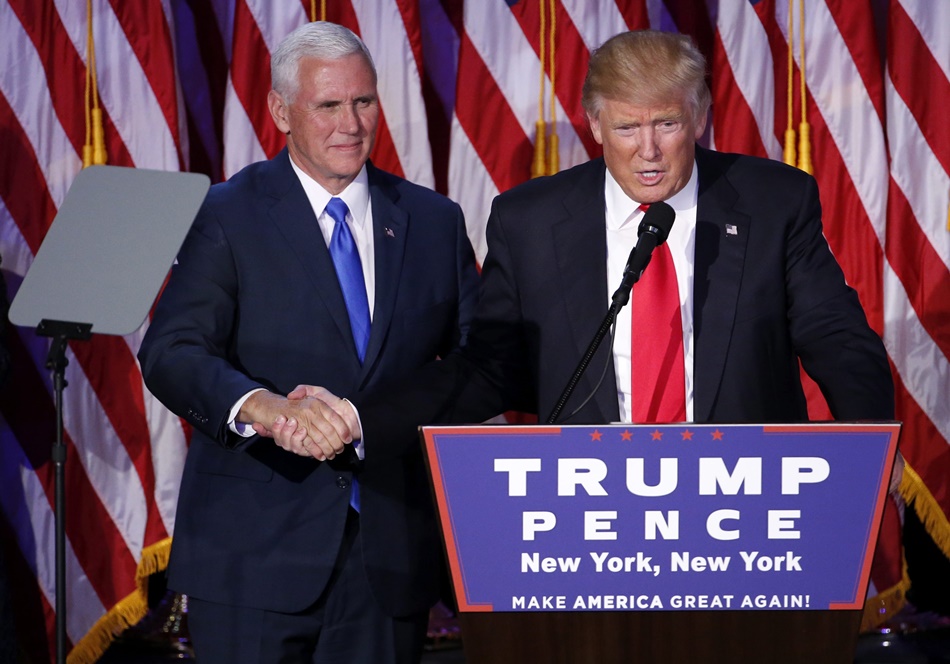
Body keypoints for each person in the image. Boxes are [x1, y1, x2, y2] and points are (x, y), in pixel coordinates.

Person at [268, 29, 894, 461]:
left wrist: (873, 443)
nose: (647, 151)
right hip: (588, 510)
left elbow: (836, 337)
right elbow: (489, 369)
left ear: (698, 117)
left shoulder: (771, 202)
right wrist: (359, 417)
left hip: (740, 501)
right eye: (626, 127)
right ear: (594, 124)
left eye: (666, 124)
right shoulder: (530, 221)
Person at [137, 21, 479, 664]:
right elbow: (171, 351)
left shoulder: (434, 220)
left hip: (388, 555)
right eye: (328, 105)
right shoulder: (226, 213)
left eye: (364, 101)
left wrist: (374, 418)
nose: (351, 123)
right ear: (280, 111)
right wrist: (264, 407)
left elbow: (481, 359)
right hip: (251, 559)